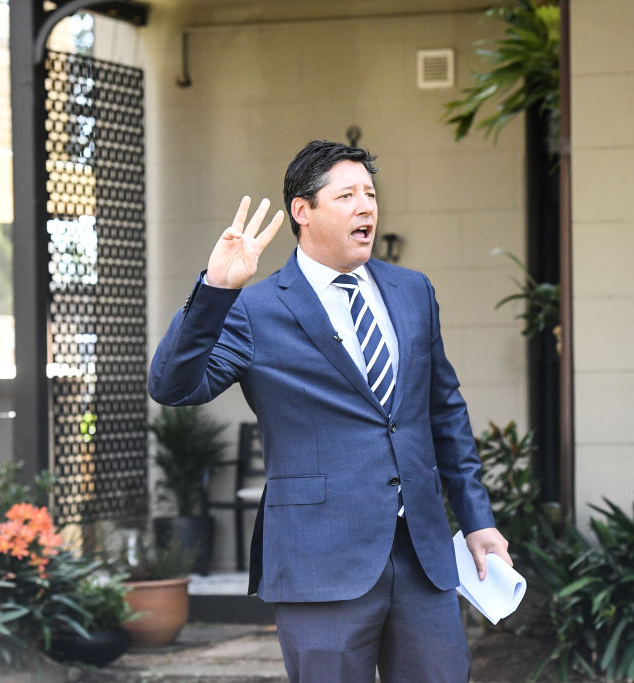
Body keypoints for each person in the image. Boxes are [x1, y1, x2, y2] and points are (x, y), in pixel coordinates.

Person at [148, 140, 511, 682]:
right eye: (346, 195)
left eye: (370, 193)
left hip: (423, 557)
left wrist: (477, 518)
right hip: (319, 561)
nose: (366, 206)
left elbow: (445, 412)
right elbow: (173, 386)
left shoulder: (413, 291)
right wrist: (217, 289)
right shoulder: (255, 308)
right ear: (303, 211)